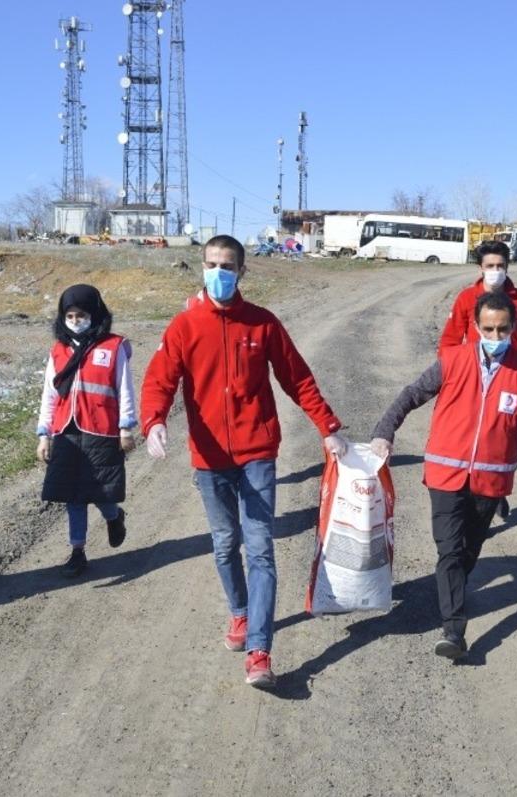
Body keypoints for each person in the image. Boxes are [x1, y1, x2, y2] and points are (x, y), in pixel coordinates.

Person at [141, 234, 346, 689]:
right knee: (223, 543)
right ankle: (239, 612)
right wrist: (154, 421)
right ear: (202, 267)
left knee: (260, 549)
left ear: (242, 272)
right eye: (212, 264)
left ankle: (259, 650)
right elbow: (159, 379)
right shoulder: (184, 326)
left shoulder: (263, 324)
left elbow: (297, 379)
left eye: (228, 265)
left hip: (257, 454)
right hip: (210, 458)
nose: (219, 272)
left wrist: (327, 428)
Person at [371, 291, 517, 660]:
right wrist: (385, 431)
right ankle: (454, 629)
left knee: (469, 550)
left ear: (513, 329)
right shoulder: (451, 360)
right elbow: (411, 395)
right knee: (449, 549)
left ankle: (451, 589)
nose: (495, 337)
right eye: (488, 329)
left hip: (491, 480)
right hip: (445, 474)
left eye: (502, 330)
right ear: (475, 326)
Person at [437, 239, 517, 520]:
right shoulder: (465, 298)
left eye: (500, 266)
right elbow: (450, 339)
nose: (495, 270)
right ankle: (470, 488)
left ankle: (497, 490)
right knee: (478, 433)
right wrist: (449, 371)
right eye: (490, 266)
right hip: (472, 379)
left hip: (511, 377)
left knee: (513, 440)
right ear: (480, 267)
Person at [36, 285, 136, 577]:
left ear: (95, 314)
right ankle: (77, 552)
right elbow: (49, 395)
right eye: (70, 315)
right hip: (66, 432)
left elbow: (124, 388)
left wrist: (126, 427)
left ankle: (114, 515)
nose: (76, 319)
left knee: (101, 492)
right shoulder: (58, 351)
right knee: (73, 496)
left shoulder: (114, 347)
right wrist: (44, 434)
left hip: (102, 430)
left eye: (81, 314)